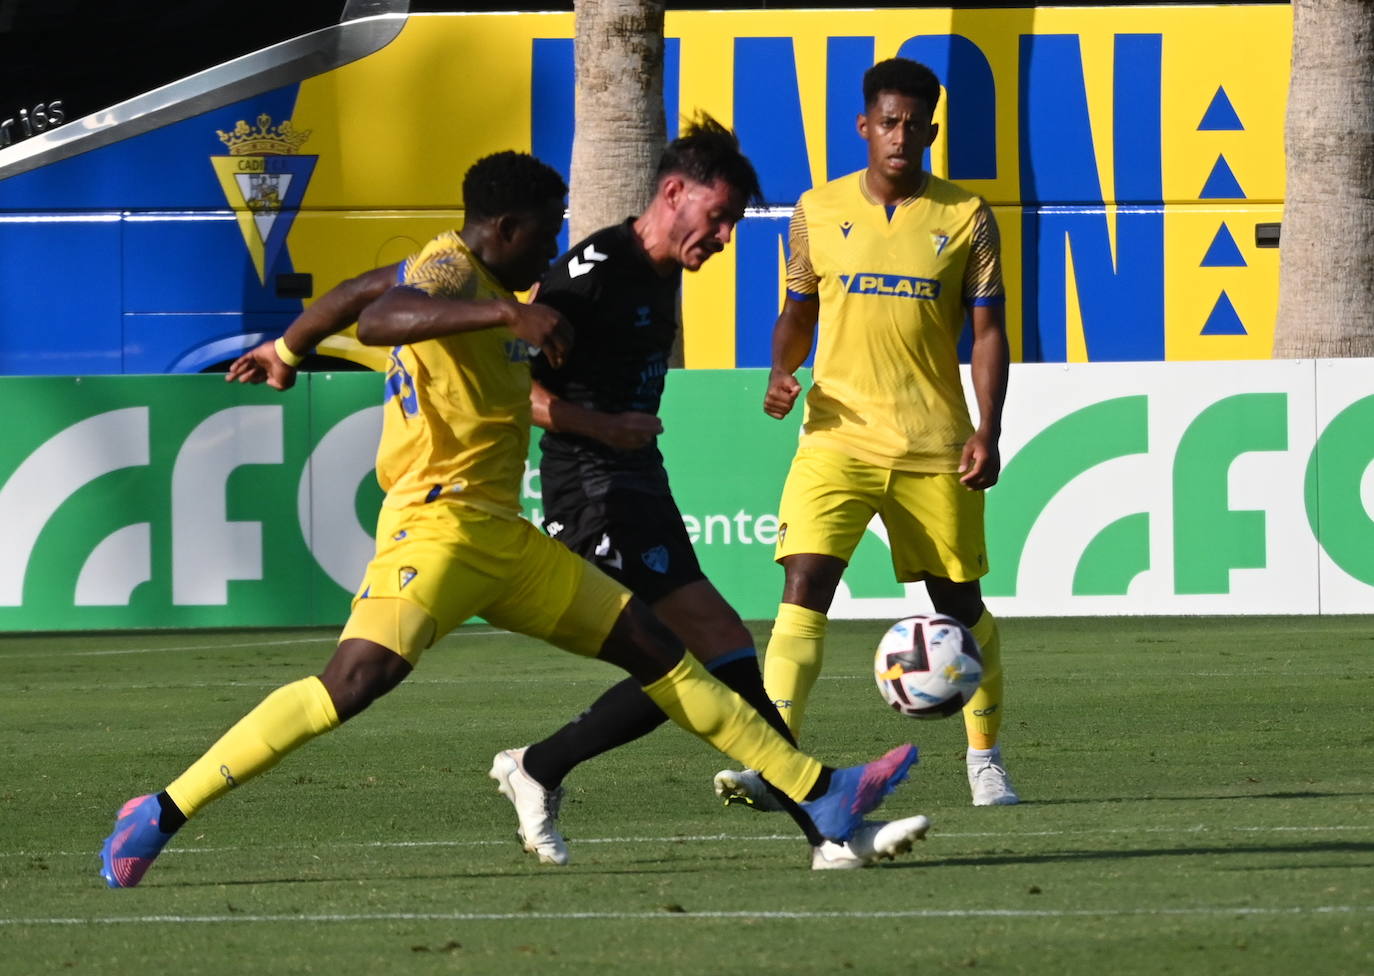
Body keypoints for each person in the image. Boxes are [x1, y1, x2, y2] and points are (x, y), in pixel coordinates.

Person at [99, 150, 917, 890]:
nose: (552, 251)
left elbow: (355, 295)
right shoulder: (455, 271)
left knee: (663, 652)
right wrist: (505, 319)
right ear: (506, 227)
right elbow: (383, 321)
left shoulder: (476, 278)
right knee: (352, 684)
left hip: (506, 535)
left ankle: (821, 795)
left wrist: (286, 349)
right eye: (547, 231)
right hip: (437, 528)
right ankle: (161, 811)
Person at [713, 58, 1019, 810]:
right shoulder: (816, 211)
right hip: (836, 436)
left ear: (932, 131)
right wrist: (782, 369)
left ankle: (985, 759)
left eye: (915, 124)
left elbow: (987, 333)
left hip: (933, 442)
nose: (900, 136)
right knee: (802, 584)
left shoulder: (967, 216)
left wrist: (989, 427)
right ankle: (776, 758)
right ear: (864, 125)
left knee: (959, 605)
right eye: (888, 121)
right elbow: (797, 311)